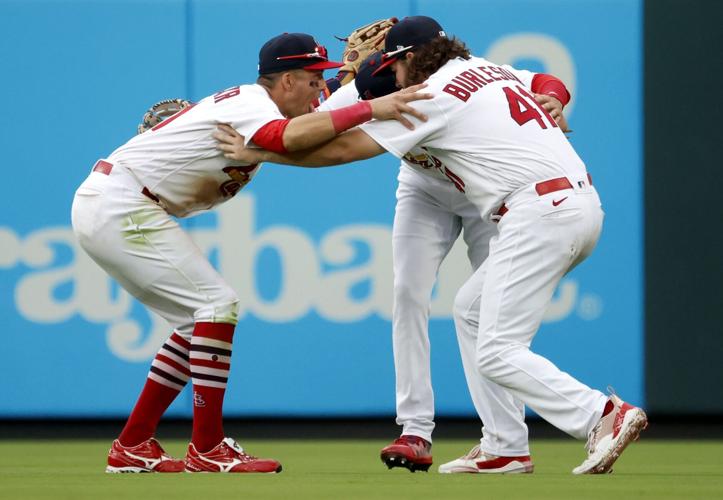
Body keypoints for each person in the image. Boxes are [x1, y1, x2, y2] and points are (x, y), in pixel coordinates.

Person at [213, 16, 648, 475]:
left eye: (393, 61)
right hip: (565, 203)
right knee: (470, 310)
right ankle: (504, 446)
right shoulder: (482, 69)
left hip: (535, 211)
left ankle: (602, 415)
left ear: (411, 59)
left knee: (497, 349)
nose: (388, 70)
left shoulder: (428, 92)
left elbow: (340, 150)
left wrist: (256, 153)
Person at [71, 31, 430, 474]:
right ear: (285, 81)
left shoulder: (270, 104)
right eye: (314, 78)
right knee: (216, 305)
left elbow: (318, 127)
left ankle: (133, 444)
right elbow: (286, 137)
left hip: (118, 202)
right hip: (121, 202)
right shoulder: (250, 101)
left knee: (195, 322)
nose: (322, 86)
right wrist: (371, 106)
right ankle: (207, 448)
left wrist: (354, 85)